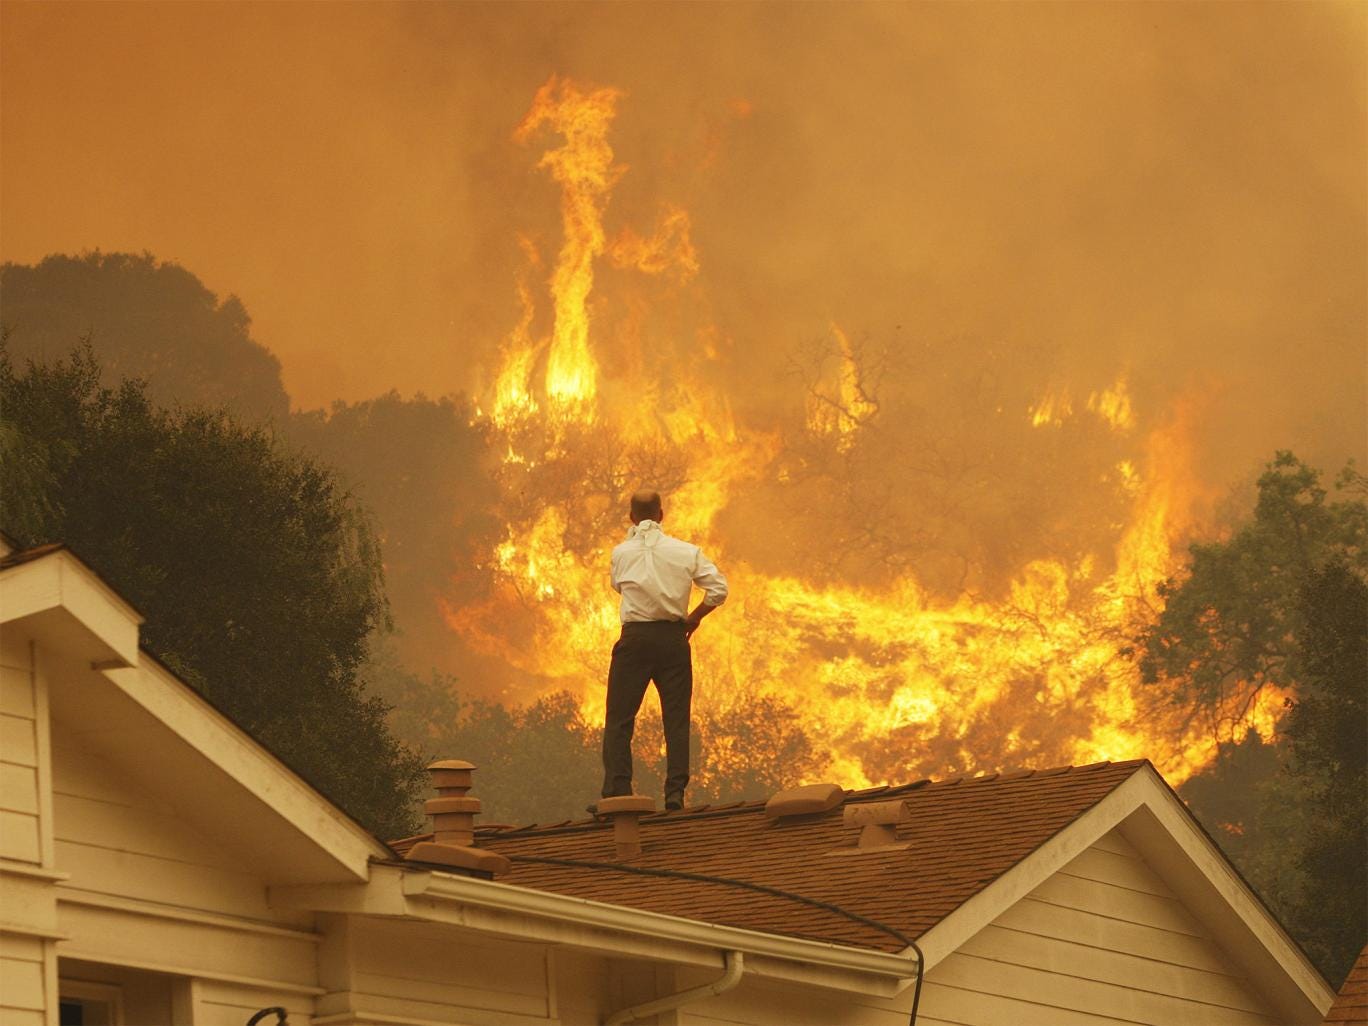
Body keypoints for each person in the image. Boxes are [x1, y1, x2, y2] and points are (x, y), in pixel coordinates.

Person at [599, 489, 728, 812]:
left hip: (635, 639)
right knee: (676, 720)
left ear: (631, 517)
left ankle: (618, 792)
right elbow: (718, 590)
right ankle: (675, 794)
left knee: (619, 719)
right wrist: (695, 618)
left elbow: (618, 586)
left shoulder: (621, 553)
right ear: (661, 514)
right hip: (673, 640)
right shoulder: (687, 552)